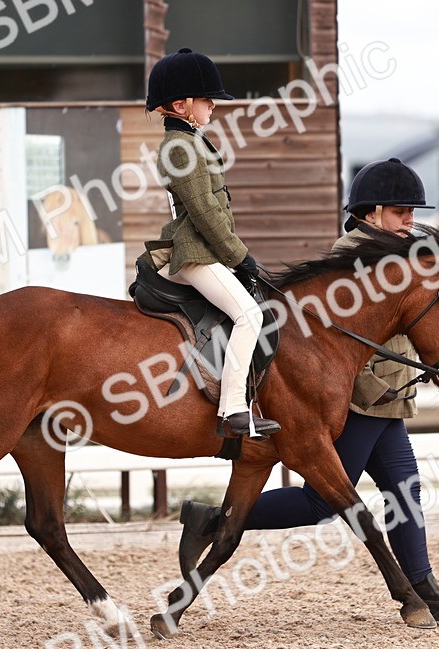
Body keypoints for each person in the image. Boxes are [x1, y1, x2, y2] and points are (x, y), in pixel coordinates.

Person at [180, 158, 439, 622]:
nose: (409, 220)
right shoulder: (357, 258)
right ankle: (214, 518)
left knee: (404, 487)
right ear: (370, 215)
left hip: (389, 400)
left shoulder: (403, 253)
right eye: (400, 212)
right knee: (322, 501)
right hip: (359, 397)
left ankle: (424, 591)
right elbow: (339, 344)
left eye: (412, 212)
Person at [140, 48, 279, 439]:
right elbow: (204, 213)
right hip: (196, 253)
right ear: (180, 104)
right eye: (206, 99)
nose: (213, 105)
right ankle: (233, 409)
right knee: (248, 316)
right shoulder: (180, 147)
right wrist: (240, 256)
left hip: (206, 249)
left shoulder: (193, 142)